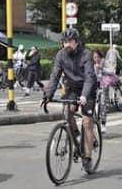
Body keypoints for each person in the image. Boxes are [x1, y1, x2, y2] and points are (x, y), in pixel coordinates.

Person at [42, 28, 98, 167]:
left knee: (87, 122)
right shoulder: (60, 55)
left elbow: (90, 77)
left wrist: (84, 95)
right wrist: (48, 95)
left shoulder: (86, 53)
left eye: (70, 41)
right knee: (67, 113)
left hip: (88, 89)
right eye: (64, 42)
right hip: (72, 88)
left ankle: (88, 157)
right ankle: (77, 137)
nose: (67, 44)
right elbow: (55, 75)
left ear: (76, 42)